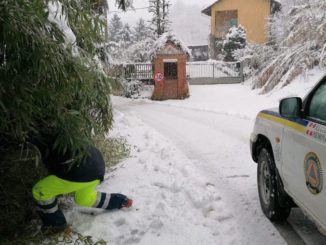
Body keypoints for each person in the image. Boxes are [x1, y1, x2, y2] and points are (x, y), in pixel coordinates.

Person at [30, 131, 132, 232]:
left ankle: (55, 225)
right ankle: (120, 201)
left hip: (80, 169)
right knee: (84, 199)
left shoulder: (37, 137)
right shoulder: (61, 131)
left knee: (40, 191)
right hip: (96, 165)